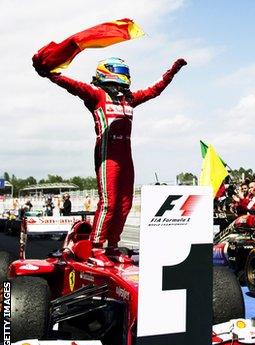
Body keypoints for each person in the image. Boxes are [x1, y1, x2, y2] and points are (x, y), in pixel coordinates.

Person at [35, 57, 186, 248]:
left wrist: (173, 70)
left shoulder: (129, 99)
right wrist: (51, 75)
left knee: (125, 204)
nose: (125, 76)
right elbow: (74, 86)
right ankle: (96, 245)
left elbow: (155, 90)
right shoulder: (96, 95)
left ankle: (113, 245)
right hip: (108, 156)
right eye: (121, 71)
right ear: (108, 73)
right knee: (109, 203)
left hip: (126, 158)